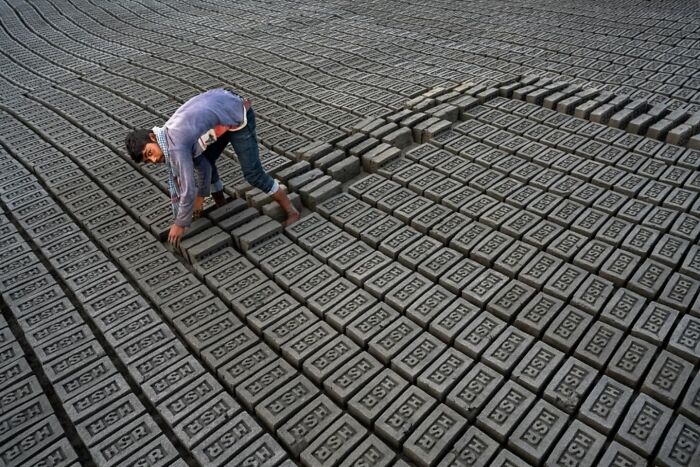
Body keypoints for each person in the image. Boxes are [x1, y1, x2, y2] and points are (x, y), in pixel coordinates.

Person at [125, 88, 299, 245]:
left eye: (150, 153)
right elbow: (203, 167)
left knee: (253, 174)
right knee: (206, 158)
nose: (154, 159)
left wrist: (180, 223)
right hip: (221, 113)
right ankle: (221, 204)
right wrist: (200, 198)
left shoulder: (175, 145)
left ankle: (292, 212)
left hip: (237, 115)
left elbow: (187, 189)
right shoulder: (167, 134)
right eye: (148, 161)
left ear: (153, 138)